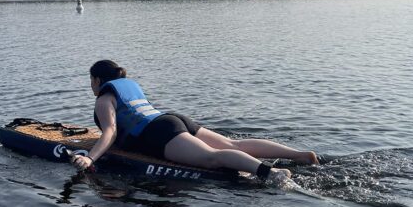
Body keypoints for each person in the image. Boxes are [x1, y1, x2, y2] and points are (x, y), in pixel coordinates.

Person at [70, 60, 319, 182]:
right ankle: (299, 155)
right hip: (173, 119)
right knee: (232, 145)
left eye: (90, 81)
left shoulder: (104, 99)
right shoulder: (129, 87)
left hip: (159, 133)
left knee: (213, 157)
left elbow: (111, 131)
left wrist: (90, 157)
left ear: (97, 80)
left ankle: (271, 173)